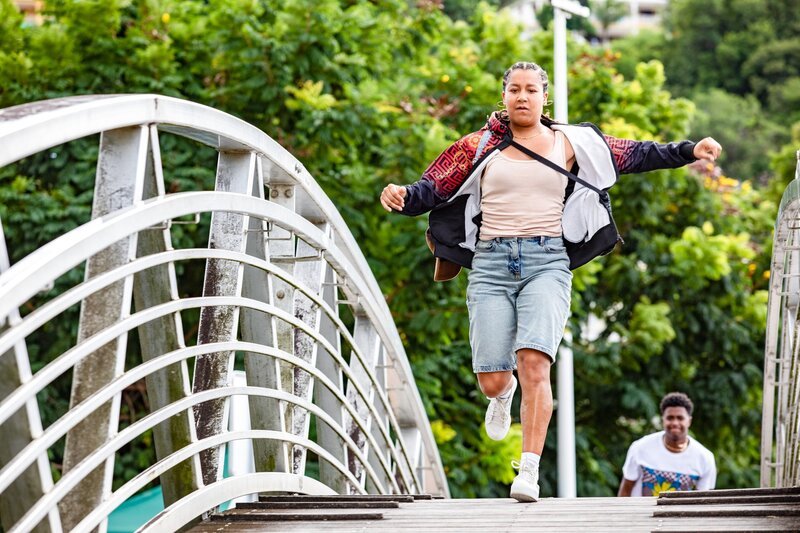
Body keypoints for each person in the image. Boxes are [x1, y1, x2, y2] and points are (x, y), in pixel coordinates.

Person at [379, 61, 721, 502]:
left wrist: (689, 150)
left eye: (531, 90)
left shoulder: (571, 142)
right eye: (514, 90)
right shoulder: (477, 145)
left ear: (545, 97)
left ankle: (529, 471)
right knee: (493, 380)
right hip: (491, 264)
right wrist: (402, 195)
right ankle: (503, 397)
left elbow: (635, 153)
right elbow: (430, 188)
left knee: (535, 362)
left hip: (547, 261)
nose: (522, 97)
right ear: (503, 96)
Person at [618, 392, 716, 496]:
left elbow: (704, 499)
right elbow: (626, 489)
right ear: (663, 420)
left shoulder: (705, 458)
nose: (674, 423)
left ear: (689, 421)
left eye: (680, 418)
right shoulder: (640, 448)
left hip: (682, 512)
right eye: (670, 418)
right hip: (641, 512)